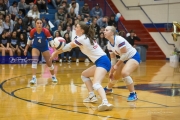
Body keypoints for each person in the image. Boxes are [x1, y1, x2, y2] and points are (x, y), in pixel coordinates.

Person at [50, 22, 113, 112]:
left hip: (103, 61)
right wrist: (56, 52)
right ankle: (91, 95)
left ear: (82, 30)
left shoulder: (82, 38)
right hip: (101, 61)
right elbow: (68, 47)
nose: (75, 28)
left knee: (96, 83)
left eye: (77, 27)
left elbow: (68, 47)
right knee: (84, 75)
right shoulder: (83, 38)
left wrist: (55, 52)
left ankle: (105, 102)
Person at [103, 26, 140, 102]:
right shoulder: (109, 44)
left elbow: (125, 54)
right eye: (104, 30)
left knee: (124, 73)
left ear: (112, 32)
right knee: (115, 76)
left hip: (133, 57)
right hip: (124, 59)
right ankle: (108, 89)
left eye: (106, 30)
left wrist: (117, 65)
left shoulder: (119, 39)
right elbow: (113, 59)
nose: (104, 31)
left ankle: (133, 94)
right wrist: (111, 71)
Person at [24, 18, 58, 84]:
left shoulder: (46, 31)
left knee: (49, 63)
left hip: (44, 48)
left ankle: (53, 76)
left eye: (40, 23)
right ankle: (34, 78)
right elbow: (29, 41)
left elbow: (51, 41)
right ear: (35, 24)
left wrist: (55, 51)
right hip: (35, 47)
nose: (39, 24)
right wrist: (26, 49)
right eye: (38, 23)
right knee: (34, 60)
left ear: (42, 24)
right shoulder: (32, 31)